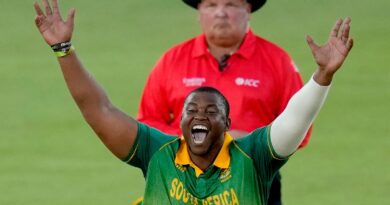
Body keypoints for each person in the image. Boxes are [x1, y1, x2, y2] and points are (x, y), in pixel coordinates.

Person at [33, 0, 353, 204]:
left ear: (227, 124)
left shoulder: (253, 158)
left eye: (212, 111)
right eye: (191, 110)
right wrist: (63, 49)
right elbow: (99, 110)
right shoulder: (158, 152)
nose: (199, 117)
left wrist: (322, 77)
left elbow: (294, 121)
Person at [137, 0, 309, 203]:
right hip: (184, 178)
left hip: (253, 175)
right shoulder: (172, 61)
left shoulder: (277, 61)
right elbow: (148, 121)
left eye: (231, 4)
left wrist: (248, 143)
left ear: (247, 10)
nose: (221, 13)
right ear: (199, 13)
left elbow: (299, 126)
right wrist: (195, 141)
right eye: (211, 5)